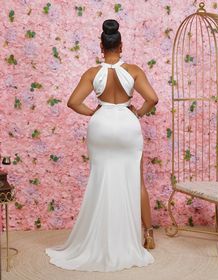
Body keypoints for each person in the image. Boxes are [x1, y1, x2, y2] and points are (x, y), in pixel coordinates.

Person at [45, 19, 159, 272]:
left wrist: (92, 112)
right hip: (127, 124)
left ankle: (102, 234)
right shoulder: (134, 70)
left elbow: (73, 102)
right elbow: (153, 98)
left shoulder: (91, 73)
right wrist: (137, 112)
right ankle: (148, 234)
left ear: (101, 46)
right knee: (137, 181)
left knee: (101, 177)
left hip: (102, 124)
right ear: (121, 45)